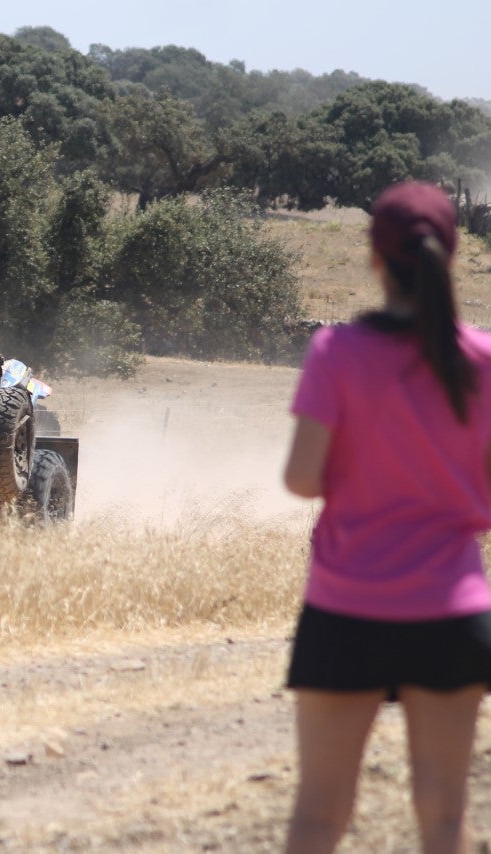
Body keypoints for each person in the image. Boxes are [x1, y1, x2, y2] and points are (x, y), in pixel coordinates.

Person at [283, 180, 491, 853]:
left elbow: (301, 477)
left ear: (375, 259)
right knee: (445, 820)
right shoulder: (483, 360)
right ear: (453, 256)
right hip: (453, 612)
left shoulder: (335, 354)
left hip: (346, 608)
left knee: (319, 814)